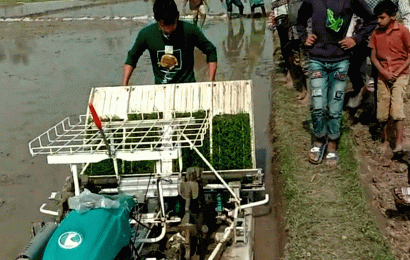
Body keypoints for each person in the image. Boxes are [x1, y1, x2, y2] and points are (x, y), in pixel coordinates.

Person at [296, 0, 377, 165]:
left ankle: (333, 142)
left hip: (340, 60)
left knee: (335, 107)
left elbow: (372, 20)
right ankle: (319, 139)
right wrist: (304, 36)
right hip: (316, 59)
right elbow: (299, 21)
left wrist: (356, 39)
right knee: (318, 105)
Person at [122, 0, 217, 85]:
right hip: (161, 88)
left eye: (172, 24)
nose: (169, 29)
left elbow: (210, 50)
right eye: (164, 26)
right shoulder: (146, 34)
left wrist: (211, 81)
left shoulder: (190, 31)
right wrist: (124, 84)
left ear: (177, 16)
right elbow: (132, 57)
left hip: (188, 86)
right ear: (157, 20)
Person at [347, 0, 410, 109]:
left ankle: (380, 111)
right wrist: (351, 34)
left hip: (387, 36)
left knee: (381, 75)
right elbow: (353, 12)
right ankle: (362, 93)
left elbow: (406, 14)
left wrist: (403, 34)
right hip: (362, 35)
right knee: (354, 68)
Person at [369, 0, 410, 154]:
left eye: (382, 18)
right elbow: (373, 58)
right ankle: (385, 140)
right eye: (378, 18)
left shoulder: (403, 31)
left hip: (400, 74)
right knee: (382, 110)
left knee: (398, 107)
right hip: (383, 74)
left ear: (392, 17)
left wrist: (398, 72)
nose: (379, 21)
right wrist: (384, 72)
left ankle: (399, 142)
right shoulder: (376, 34)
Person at [271, 0, 309, 101]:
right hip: (293, 28)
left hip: (301, 29)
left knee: (305, 64)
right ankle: (303, 89)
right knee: (297, 61)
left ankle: (308, 92)